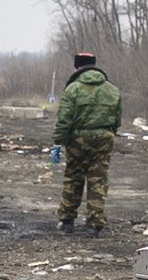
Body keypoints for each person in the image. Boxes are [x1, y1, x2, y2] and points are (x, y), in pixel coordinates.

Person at [51, 53, 122, 230]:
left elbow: (65, 119)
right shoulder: (112, 89)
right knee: (98, 179)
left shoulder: (72, 89)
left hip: (78, 140)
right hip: (105, 138)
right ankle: (96, 222)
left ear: (77, 67)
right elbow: (117, 119)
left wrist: (58, 142)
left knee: (74, 178)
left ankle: (67, 220)